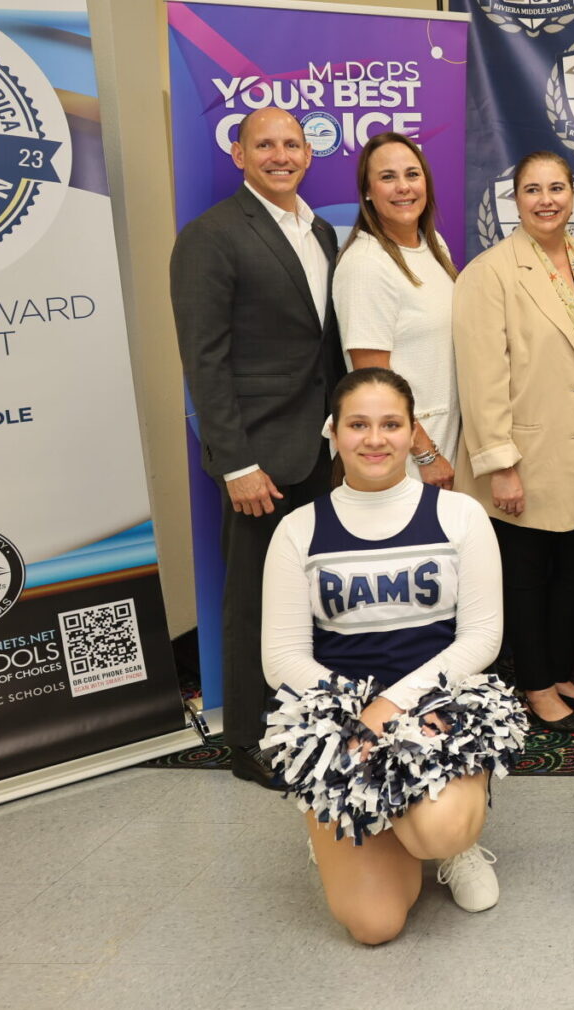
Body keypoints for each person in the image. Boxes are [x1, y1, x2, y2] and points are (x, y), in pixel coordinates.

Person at [260, 368, 517, 943]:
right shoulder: (299, 530)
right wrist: (357, 712)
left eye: (390, 424)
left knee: (439, 833)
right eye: (358, 424)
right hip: (341, 717)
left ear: (412, 432)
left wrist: (395, 706)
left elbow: (481, 637)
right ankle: (346, 819)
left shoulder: (460, 515)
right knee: (375, 926)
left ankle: (452, 843)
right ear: (334, 432)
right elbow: (281, 658)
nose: (374, 439)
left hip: (437, 704)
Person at [170, 106, 343, 787]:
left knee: (313, 595)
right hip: (259, 460)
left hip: (321, 452)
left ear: (308, 153)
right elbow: (204, 362)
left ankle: (307, 718)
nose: (280, 155)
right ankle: (247, 739)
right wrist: (236, 462)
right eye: (264, 144)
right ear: (238, 154)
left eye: (291, 144)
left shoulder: (320, 229)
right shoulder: (211, 237)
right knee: (253, 599)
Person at [452, 150, 574, 734]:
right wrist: (500, 463)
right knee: (525, 576)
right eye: (532, 190)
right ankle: (536, 684)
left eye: (557, 188)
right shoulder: (489, 272)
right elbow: (481, 376)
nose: (546, 200)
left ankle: (560, 669)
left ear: (573, 195)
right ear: (514, 199)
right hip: (524, 454)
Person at [333, 131, 461, 489]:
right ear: (368, 192)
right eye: (388, 177)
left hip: (447, 441)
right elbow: (375, 381)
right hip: (405, 458)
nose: (403, 186)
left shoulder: (433, 245)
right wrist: (425, 455)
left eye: (412, 174)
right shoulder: (365, 264)